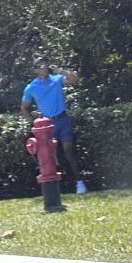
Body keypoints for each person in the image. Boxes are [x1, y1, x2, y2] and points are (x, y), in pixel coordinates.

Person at [20, 56, 87, 194]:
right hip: (47, 125)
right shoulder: (31, 87)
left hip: (62, 119)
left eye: (45, 64)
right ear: (35, 70)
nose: (43, 68)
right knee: (50, 156)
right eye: (40, 66)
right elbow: (24, 108)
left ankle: (79, 182)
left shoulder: (56, 79)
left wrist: (61, 70)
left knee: (68, 150)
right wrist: (34, 123)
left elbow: (74, 79)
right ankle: (56, 188)